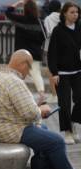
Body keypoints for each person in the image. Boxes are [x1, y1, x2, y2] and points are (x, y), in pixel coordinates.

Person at [0, 49, 81, 169]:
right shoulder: (14, 82)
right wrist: (42, 110)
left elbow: (15, 108)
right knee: (56, 141)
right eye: (29, 67)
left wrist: (35, 109)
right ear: (22, 64)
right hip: (13, 130)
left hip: (0, 126)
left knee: (43, 131)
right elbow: (30, 113)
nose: (29, 71)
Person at [48, 1, 81, 145]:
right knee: (64, 103)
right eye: (72, 12)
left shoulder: (80, 28)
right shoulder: (58, 31)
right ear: (65, 14)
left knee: (80, 100)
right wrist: (54, 73)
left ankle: (73, 122)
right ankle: (67, 132)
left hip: (78, 71)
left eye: (77, 12)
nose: (75, 15)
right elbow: (52, 54)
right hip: (62, 73)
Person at [6, 0, 46, 103]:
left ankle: (19, 96)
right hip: (35, 52)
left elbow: (7, 12)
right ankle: (41, 94)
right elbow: (43, 37)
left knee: (18, 74)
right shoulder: (40, 22)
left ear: (25, 9)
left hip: (22, 53)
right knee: (36, 73)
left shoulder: (20, 20)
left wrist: (18, 3)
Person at [43, 0, 61, 103]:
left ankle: (54, 94)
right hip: (63, 47)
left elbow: (48, 33)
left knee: (51, 71)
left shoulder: (48, 19)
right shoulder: (64, 17)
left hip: (50, 47)